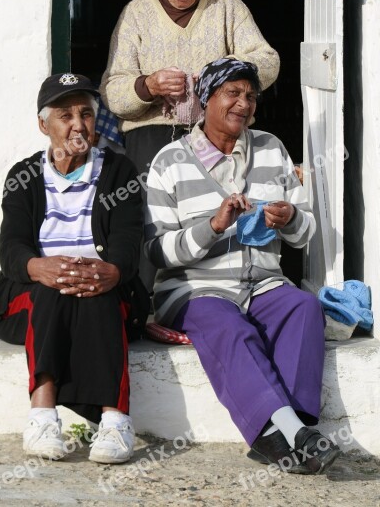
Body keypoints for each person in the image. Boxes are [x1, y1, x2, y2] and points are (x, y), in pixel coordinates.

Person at [144, 58, 341, 474]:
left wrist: (290, 219)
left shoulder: (272, 148)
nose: (243, 103)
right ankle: (294, 434)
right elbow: (158, 252)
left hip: (263, 284)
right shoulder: (169, 161)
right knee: (230, 326)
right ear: (206, 99)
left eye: (250, 96)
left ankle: (290, 432)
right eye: (232, 93)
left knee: (304, 308)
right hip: (194, 289)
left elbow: (304, 234)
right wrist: (213, 226)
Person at [99, 0, 280, 291]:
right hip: (151, 135)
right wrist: (147, 85)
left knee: (223, 214)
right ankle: (149, 303)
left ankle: (227, 294)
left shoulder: (226, 3)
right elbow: (112, 91)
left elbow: (268, 61)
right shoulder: (136, 13)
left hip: (219, 135)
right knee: (151, 220)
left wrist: (222, 75)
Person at [0, 73, 144, 464]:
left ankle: (115, 421)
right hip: (33, 294)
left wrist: (113, 272)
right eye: (65, 115)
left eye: (86, 114)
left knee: (97, 290)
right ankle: (42, 416)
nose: (78, 124)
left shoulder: (119, 172)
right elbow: (11, 248)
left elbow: (127, 240)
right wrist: (39, 266)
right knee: (50, 290)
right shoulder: (23, 177)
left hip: (103, 291)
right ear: (44, 125)